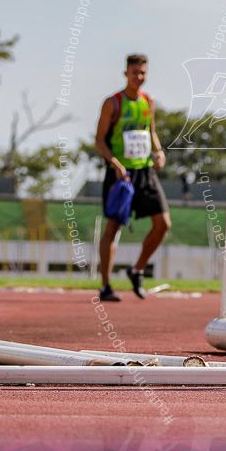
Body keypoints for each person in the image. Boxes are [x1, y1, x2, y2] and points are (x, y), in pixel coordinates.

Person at [93, 53, 171, 301]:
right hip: (121, 175)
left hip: (145, 171)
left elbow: (151, 132)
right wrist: (114, 162)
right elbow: (99, 140)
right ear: (126, 73)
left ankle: (137, 270)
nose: (139, 77)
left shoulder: (148, 101)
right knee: (113, 227)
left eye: (143, 73)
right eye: (135, 72)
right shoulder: (113, 103)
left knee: (163, 224)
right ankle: (105, 286)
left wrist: (159, 151)